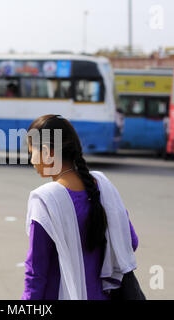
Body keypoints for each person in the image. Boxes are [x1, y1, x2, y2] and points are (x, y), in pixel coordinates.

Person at [22, 114, 139, 300]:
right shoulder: (103, 185)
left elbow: (36, 272)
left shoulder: (45, 199)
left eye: (31, 152)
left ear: (47, 152)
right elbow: (130, 242)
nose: (31, 160)